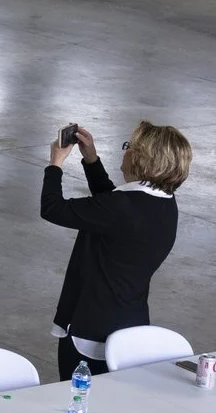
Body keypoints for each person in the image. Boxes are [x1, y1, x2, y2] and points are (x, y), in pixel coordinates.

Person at [44, 120, 192, 379]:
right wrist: (91, 160)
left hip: (89, 332)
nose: (125, 151)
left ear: (141, 159)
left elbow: (52, 208)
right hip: (129, 327)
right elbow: (112, 207)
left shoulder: (121, 207)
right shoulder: (164, 205)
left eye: (129, 147)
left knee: (76, 401)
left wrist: (55, 163)